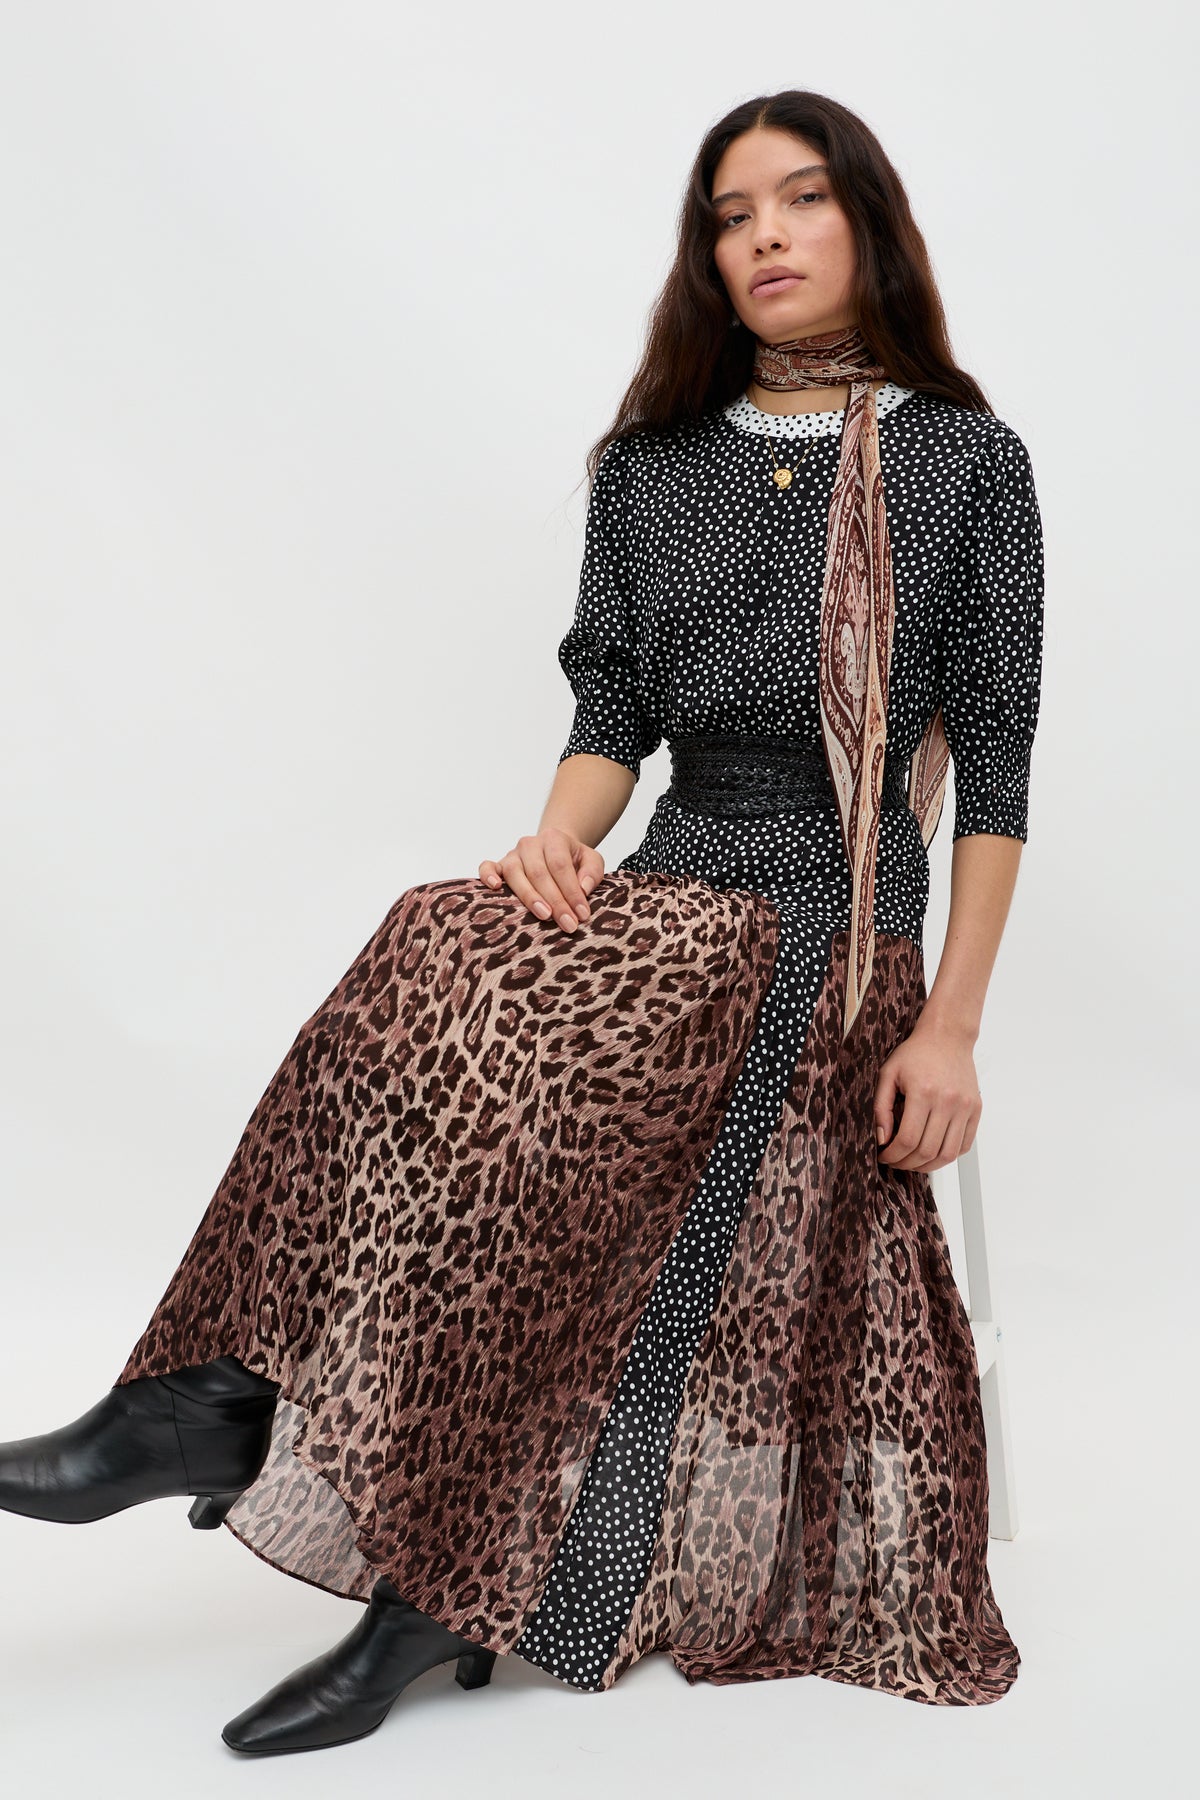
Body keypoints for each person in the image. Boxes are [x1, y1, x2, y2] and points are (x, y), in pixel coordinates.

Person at [0, 88, 1045, 1754]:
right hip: (663, 886)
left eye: (799, 201)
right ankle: (212, 1402)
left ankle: (421, 1579)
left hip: (823, 926)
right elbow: (610, 715)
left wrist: (953, 1023)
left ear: (869, 226)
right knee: (441, 934)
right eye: (728, 213)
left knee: (562, 1096)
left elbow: (993, 765)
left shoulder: (966, 463)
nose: (762, 236)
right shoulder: (648, 466)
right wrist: (552, 855)